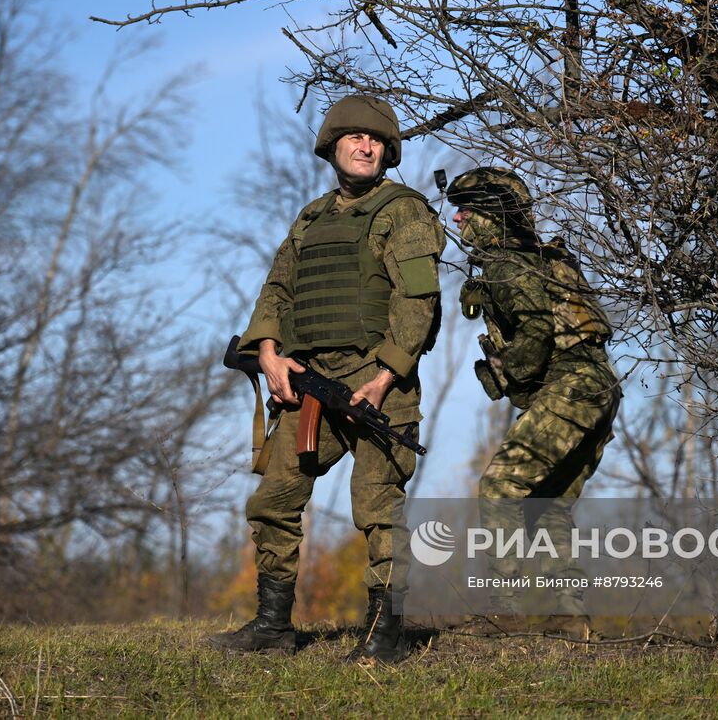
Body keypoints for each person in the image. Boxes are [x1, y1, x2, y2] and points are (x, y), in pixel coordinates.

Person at [212, 95, 444, 664]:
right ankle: (272, 627)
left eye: (375, 140)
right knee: (274, 498)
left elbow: (419, 302)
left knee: (377, 503)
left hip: (376, 382)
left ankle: (384, 635)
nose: (365, 146)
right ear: (332, 147)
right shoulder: (312, 218)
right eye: (353, 138)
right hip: (310, 379)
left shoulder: (404, 212)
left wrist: (387, 376)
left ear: (387, 152)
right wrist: (267, 351)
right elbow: (276, 290)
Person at [446, 167, 621, 640]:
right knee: (547, 504)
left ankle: (504, 611)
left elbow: (540, 330)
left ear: (490, 216)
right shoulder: (540, 258)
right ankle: (569, 615)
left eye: (466, 210)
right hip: (600, 388)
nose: (457, 219)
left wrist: (510, 371)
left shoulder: (506, 263)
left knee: (500, 487)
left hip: (571, 384)